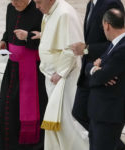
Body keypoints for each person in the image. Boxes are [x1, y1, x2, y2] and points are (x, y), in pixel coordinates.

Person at [33, 0, 89, 150]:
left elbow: (73, 46)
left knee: (66, 121)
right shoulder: (49, 10)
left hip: (65, 77)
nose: (36, 7)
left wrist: (61, 72)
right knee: (55, 121)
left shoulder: (65, 13)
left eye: (38, 2)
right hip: (52, 76)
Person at [71, 0, 125, 148]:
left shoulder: (112, 3)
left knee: (99, 128)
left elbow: (115, 40)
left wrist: (88, 50)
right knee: (79, 112)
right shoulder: (91, 4)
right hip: (90, 69)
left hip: (106, 70)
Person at [0, 0, 47, 150]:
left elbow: (48, 40)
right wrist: (3, 41)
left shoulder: (39, 10)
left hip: (33, 72)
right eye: (13, 0)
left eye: (18, 1)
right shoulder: (10, 8)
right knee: (7, 111)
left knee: (30, 114)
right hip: (12, 70)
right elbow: (8, 31)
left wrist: (27, 37)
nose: (15, 3)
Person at [85, 8, 125, 150]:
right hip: (100, 112)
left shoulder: (123, 47)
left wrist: (97, 72)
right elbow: (90, 69)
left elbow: (100, 77)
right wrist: (94, 69)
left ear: (107, 25)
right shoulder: (114, 44)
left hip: (109, 114)